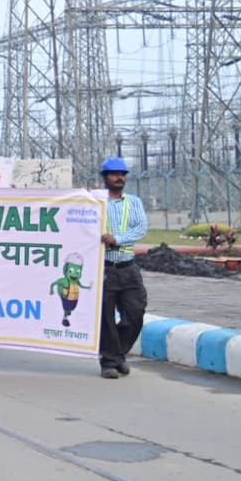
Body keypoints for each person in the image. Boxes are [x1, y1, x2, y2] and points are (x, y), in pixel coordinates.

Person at [98, 157, 148, 379]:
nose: (120, 177)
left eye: (123, 174)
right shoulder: (95, 202)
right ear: (105, 177)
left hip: (128, 267)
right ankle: (109, 362)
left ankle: (117, 354)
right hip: (104, 268)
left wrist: (116, 239)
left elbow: (140, 229)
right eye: (114, 174)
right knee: (106, 318)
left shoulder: (134, 202)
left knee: (135, 314)